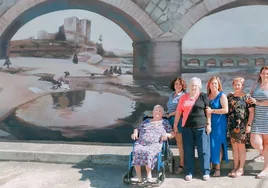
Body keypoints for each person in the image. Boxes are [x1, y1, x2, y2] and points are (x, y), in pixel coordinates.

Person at [174, 77, 211, 181]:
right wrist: (175, 124)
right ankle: (189, 172)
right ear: (189, 86)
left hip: (202, 127)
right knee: (188, 151)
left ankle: (205, 172)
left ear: (199, 86)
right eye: (192, 85)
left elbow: (208, 112)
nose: (194, 87)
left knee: (203, 150)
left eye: (195, 85)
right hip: (187, 127)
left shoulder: (203, 96)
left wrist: (209, 124)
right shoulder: (183, 98)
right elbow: (178, 112)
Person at [130, 105, 174, 183]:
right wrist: (135, 133)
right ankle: (138, 176)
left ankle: (149, 176)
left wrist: (166, 135)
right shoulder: (146, 121)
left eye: (160, 111)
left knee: (149, 152)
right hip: (141, 142)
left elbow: (172, 134)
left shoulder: (165, 122)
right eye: (156, 110)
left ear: (162, 114)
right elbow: (137, 128)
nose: (157, 112)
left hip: (155, 144)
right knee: (136, 150)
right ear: (153, 112)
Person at [227, 77, 254, 178]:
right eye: (235, 84)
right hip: (232, 126)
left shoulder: (247, 97)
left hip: (242, 126)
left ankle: (241, 168)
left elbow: (251, 112)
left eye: (239, 85)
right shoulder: (230, 97)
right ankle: (235, 167)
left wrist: (249, 125)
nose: (237, 86)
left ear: (242, 86)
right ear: (233, 85)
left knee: (241, 147)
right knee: (234, 148)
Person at [206, 76, 228, 177]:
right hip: (209, 123)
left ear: (218, 85)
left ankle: (218, 169)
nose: (214, 85)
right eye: (212, 83)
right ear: (209, 85)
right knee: (209, 145)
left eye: (215, 83)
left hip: (219, 123)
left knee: (218, 145)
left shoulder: (222, 96)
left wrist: (213, 111)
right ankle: (210, 167)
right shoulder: (207, 96)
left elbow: (225, 110)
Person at [248, 66, 268, 178]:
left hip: (267, 118)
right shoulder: (256, 85)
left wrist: (258, 102)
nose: (265, 75)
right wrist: (248, 99)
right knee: (255, 142)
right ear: (260, 74)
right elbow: (251, 97)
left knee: (266, 144)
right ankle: (265, 155)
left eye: (267, 73)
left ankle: (265, 169)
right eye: (263, 73)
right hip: (256, 118)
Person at [166, 77, 187, 174]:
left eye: (179, 84)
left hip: (178, 121)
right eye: (176, 84)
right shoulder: (171, 95)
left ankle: (182, 165)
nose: (177, 86)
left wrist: (171, 114)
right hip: (170, 120)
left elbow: (181, 110)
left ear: (183, 86)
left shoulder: (183, 96)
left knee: (180, 144)